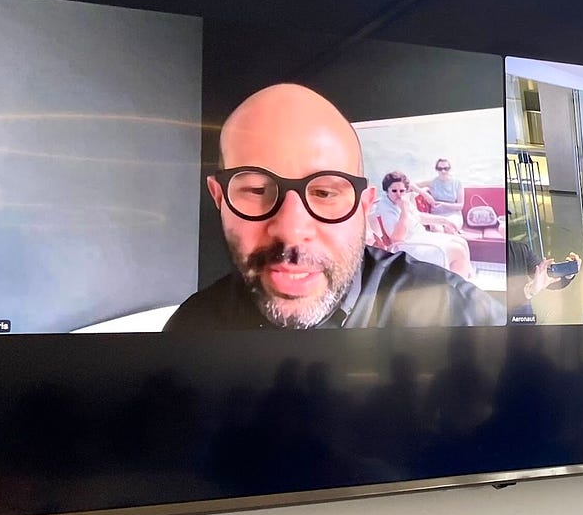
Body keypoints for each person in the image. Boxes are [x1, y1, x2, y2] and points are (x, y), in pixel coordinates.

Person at [164, 84, 503, 331]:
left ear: (364, 206)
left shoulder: (459, 314)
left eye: (325, 193)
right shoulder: (190, 330)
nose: (291, 229)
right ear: (220, 198)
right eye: (255, 189)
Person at [369, 171, 474, 280]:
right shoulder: (386, 208)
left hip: (420, 237)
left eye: (402, 191)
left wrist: (444, 220)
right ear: (387, 190)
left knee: (461, 242)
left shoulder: (403, 201)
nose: (399, 194)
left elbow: (418, 217)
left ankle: (465, 276)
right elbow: (397, 238)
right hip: (407, 247)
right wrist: (404, 211)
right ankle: (459, 289)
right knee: (458, 251)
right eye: (394, 191)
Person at [506, 241, 581, 324]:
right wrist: (527, 292)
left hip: (524, 319)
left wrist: (568, 274)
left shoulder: (520, 249)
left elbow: (546, 279)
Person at [416, 158, 464, 230]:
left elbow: (460, 206)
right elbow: (411, 185)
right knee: (437, 229)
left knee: (449, 228)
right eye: (440, 169)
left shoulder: (457, 183)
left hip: (453, 215)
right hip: (436, 215)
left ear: (450, 169)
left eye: (446, 168)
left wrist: (443, 204)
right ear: (436, 170)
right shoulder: (432, 183)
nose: (443, 171)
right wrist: (424, 193)